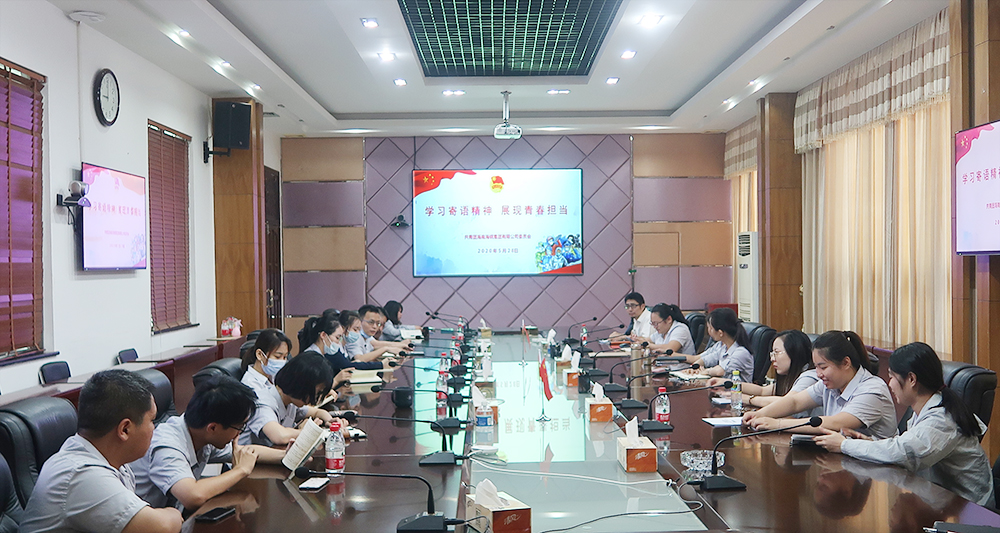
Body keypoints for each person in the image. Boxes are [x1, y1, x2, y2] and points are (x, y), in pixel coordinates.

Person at [813, 342, 994, 506]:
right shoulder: (925, 409)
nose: (890, 384)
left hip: (969, 512)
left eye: (892, 376)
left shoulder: (941, 420)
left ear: (911, 379)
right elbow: (905, 446)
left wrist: (844, 445)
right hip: (938, 501)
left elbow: (903, 454)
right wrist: (870, 442)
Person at [19, 369, 183, 533]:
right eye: (152, 420)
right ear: (125, 429)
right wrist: (174, 513)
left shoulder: (111, 461)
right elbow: (161, 528)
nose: (154, 428)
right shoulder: (81, 474)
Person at [131, 375, 285, 510]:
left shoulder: (201, 432)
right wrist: (240, 470)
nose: (239, 433)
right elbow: (192, 496)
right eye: (239, 427)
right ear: (213, 428)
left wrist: (286, 456)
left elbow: (246, 452)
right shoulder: (167, 447)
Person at [743, 330, 898, 439]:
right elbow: (795, 401)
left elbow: (836, 423)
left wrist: (777, 424)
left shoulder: (872, 390)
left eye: (823, 367)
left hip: (879, 470)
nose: (818, 374)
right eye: (816, 367)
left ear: (846, 363)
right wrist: (760, 414)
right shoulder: (829, 384)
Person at [240, 341, 337, 447]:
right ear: (300, 385)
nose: (314, 398)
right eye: (315, 393)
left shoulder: (290, 401)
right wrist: (308, 432)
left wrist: (330, 421)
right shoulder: (262, 403)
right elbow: (280, 436)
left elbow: (317, 412)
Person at [707, 330, 819, 413]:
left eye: (777, 352)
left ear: (794, 352)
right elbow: (762, 391)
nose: (772, 358)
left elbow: (788, 402)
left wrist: (748, 399)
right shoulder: (790, 376)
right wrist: (728, 383)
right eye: (772, 353)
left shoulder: (808, 377)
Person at [299, 311, 393, 377]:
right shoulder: (312, 357)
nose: (338, 342)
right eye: (337, 338)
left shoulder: (324, 352)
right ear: (323, 335)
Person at [681, 307, 753, 379]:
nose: (709, 332)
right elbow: (705, 360)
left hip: (737, 386)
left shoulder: (741, 352)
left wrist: (706, 371)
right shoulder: (723, 347)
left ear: (720, 333)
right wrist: (693, 368)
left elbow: (720, 371)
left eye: (711, 328)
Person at [345, 305, 411, 362]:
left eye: (378, 323)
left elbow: (376, 344)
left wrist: (401, 345)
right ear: (360, 321)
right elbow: (359, 359)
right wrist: (386, 349)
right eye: (371, 322)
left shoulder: (367, 336)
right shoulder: (354, 337)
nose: (375, 327)